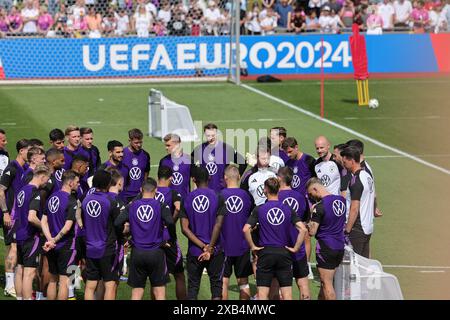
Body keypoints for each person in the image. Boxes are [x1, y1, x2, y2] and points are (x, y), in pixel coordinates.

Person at [243, 177, 307, 300]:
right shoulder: (288, 209)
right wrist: (296, 248)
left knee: (262, 294)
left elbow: (246, 229)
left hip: (265, 253)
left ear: (265, 190)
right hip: (284, 253)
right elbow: (303, 229)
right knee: (287, 295)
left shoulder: (259, 209)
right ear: (278, 190)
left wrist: (253, 246)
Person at [115, 178, 176, 300]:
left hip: (137, 252)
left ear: (140, 190)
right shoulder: (160, 205)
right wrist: (171, 240)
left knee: (136, 293)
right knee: (159, 293)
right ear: (156, 191)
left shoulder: (131, 206)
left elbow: (117, 223)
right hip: (156, 252)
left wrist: (123, 239)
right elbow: (170, 222)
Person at [180, 166, 225, 300]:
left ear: (193, 179)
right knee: (216, 288)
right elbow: (218, 224)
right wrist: (209, 247)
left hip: (194, 251)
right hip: (215, 250)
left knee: (193, 288)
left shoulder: (187, 198)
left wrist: (202, 246)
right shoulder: (218, 197)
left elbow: (184, 228)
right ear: (210, 178)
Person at [81, 170, 121, 300]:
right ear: (108, 184)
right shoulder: (110, 201)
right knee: (110, 284)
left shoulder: (86, 200)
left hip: (90, 247)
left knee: (90, 285)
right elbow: (118, 224)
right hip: (107, 248)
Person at [41, 170, 80, 300]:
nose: (78, 185)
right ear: (70, 183)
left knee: (53, 279)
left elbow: (43, 221)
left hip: (51, 246)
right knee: (64, 282)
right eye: (77, 182)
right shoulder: (71, 201)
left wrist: (49, 240)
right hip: (65, 246)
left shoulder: (52, 197)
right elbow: (67, 227)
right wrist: (54, 240)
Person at [14, 165, 51, 300]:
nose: (47, 183)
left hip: (19, 234)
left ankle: (19, 297)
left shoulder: (22, 190)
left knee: (20, 269)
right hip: (30, 236)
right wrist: (44, 227)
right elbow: (31, 217)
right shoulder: (35, 192)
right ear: (42, 176)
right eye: (47, 179)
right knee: (29, 273)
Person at [306, 177, 346, 300]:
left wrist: (309, 217)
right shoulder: (341, 200)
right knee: (327, 283)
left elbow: (312, 231)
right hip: (340, 246)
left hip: (326, 248)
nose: (311, 197)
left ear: (315, 188)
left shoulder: (319, 207)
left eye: (310, 194)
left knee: (326, 284)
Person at [0, 139, 29, 298]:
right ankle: (9, 285)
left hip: (20, 216)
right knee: (12, 248)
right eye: (28, 151)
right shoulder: (12, 167)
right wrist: (5, 212)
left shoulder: (24, 167)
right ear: (21, 151)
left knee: (16, 248)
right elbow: (0, 190)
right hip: (11, 216)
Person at [220, 165, 254, 300]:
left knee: (223, 281)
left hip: (224, 245)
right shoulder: (246, 195)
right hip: (243, 245)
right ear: (239, 177)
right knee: (243, 282)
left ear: (224, 178)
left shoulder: (220, 195)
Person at [277, 167, 310, 300]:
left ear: (279, 179)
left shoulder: (275, 197)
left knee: (282, 288)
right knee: (303, 284)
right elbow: (305, 220)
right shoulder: (301, 197)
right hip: (298, 247)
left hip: (281, 247)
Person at [155, 165, 186, 300]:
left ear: (158, 177)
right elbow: (178, 208)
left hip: (154, 238)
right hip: (168, 238)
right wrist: (171, 222)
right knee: (179, 274)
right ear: (171, 178)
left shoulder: (151, 192)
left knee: (157, 278)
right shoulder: (173, 193)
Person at [340, 146, 375, 258]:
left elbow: (354, 209)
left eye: (345, 162)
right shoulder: (367, 176)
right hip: (367, 227)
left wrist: (347, 230)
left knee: (354, 266)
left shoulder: (356, 180)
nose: (344, 165)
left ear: (351, 160)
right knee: (364, 263)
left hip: (357, 228)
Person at [192, 123, 246, 192]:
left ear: (217, 134)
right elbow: (192, 167)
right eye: (208, 136)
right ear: (205, 135)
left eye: (213, 135)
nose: (211, 138)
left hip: (222, 191)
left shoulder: (226, 149)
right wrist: (195, 185)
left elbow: (243, 163)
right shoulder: (198, 149)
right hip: (204, 192)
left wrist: (233, 179)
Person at [122, 129, 150, 203]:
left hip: (140, 194)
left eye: (140, 142)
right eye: (136, 143)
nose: (139, 145)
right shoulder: (122, 154)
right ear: (129, 141)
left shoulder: (145, 155)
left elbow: (146, 173)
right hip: (124, 194)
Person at [159, 133, 191, 199]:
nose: (166, 148)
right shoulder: (163, 161)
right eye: (166, 145)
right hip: (168, 200)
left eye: (168, 145)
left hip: (185, 200)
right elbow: (160, 182)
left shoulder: (189, 160)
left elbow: (195, 181)